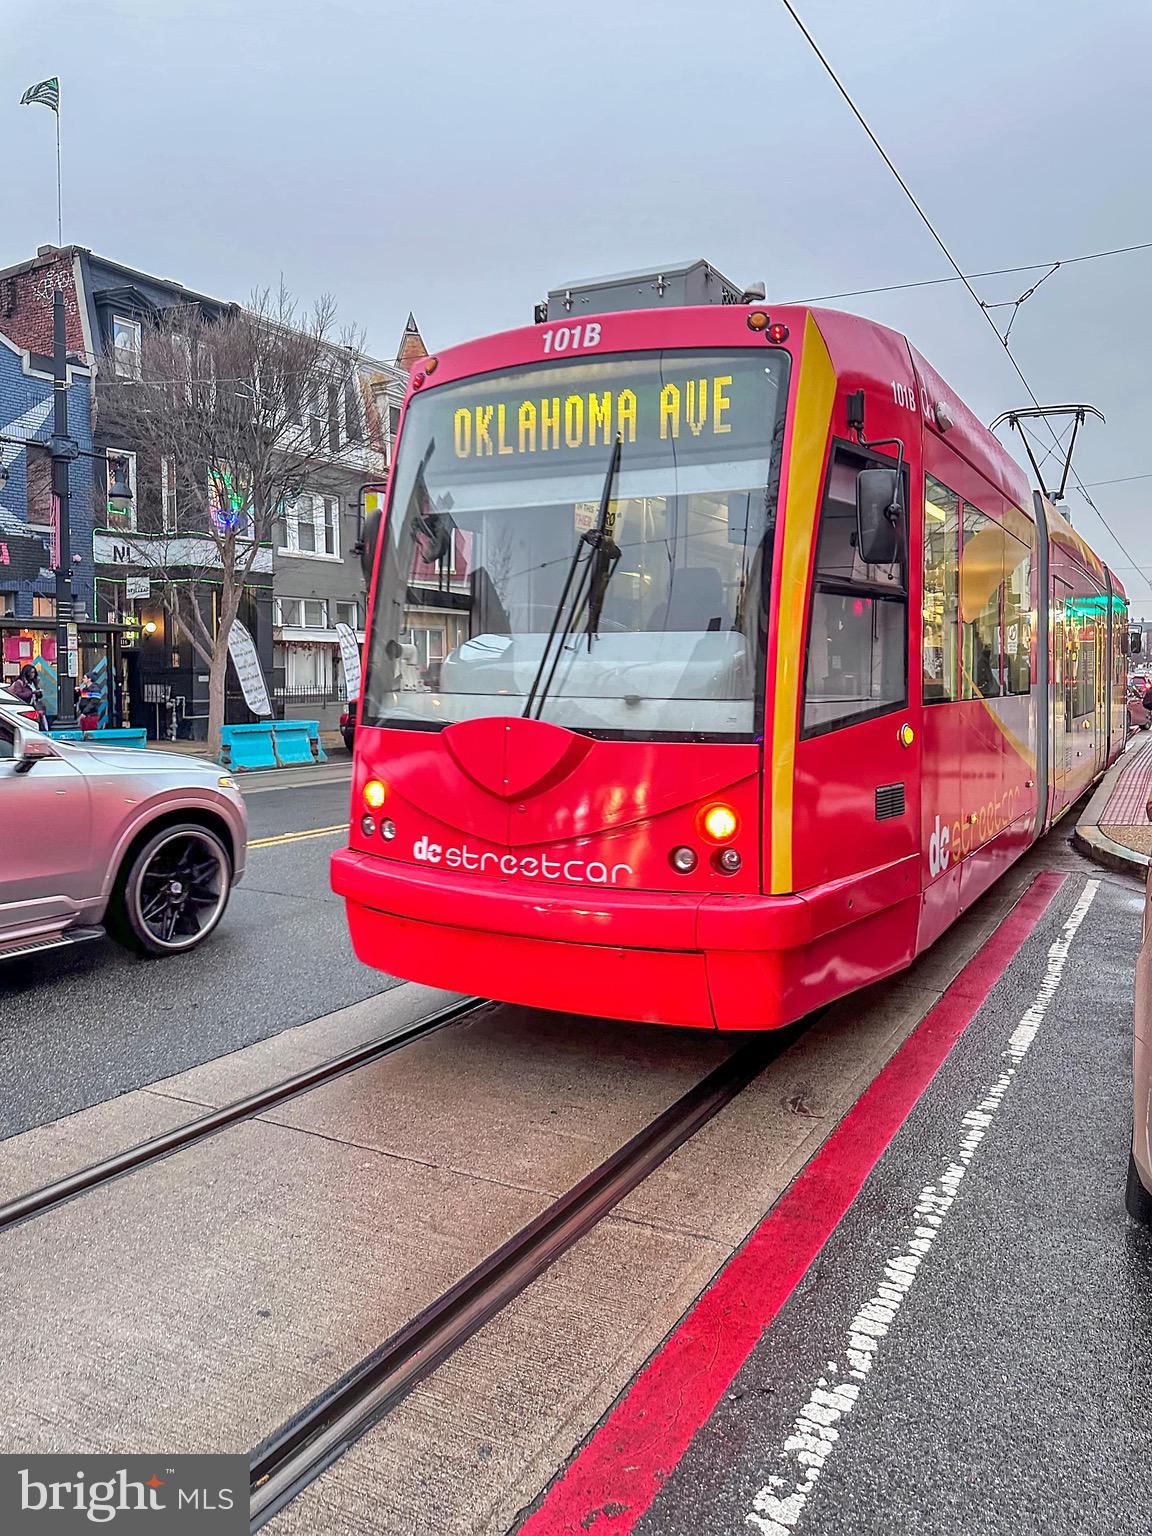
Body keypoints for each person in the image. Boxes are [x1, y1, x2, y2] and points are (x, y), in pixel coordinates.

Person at [10, 663, 49, 730]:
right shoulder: (19, 683)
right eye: (31, 672)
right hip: (24, 707)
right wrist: (32, 692)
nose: (33, 674)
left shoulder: (33, 682)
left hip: (33, 705)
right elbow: (18, 694)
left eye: (34, 672)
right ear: (27, 673)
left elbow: (39, 696)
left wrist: (38, 691)